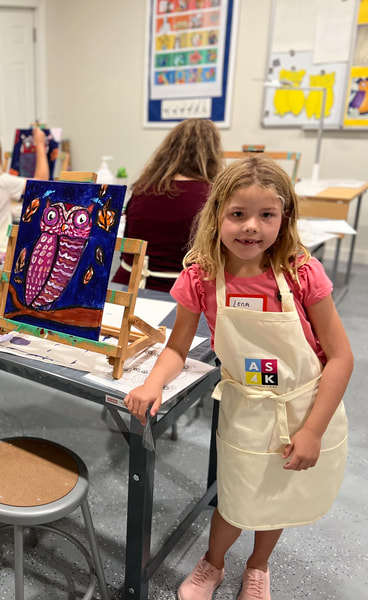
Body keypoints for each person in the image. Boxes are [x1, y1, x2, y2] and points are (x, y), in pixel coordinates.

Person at [124, 155, 350, 600]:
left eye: (266, 215)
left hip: (303, 406)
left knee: (278, 498)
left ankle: (258, 566)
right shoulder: (202, 277)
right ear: (216, 215)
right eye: (238, 214)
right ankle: (213, 562)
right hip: (245, 406)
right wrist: (153, 384)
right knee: (236, 496)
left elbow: (341, 358)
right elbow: (177, 348)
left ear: (284, 217)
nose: (251, 227)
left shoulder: (301, 273)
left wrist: (313, 431)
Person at [112, 118, 223, 292]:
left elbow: (127, 244)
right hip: (179, 291)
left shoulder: (143, 188)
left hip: (128, 284)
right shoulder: (210, 195)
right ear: (212, 154)